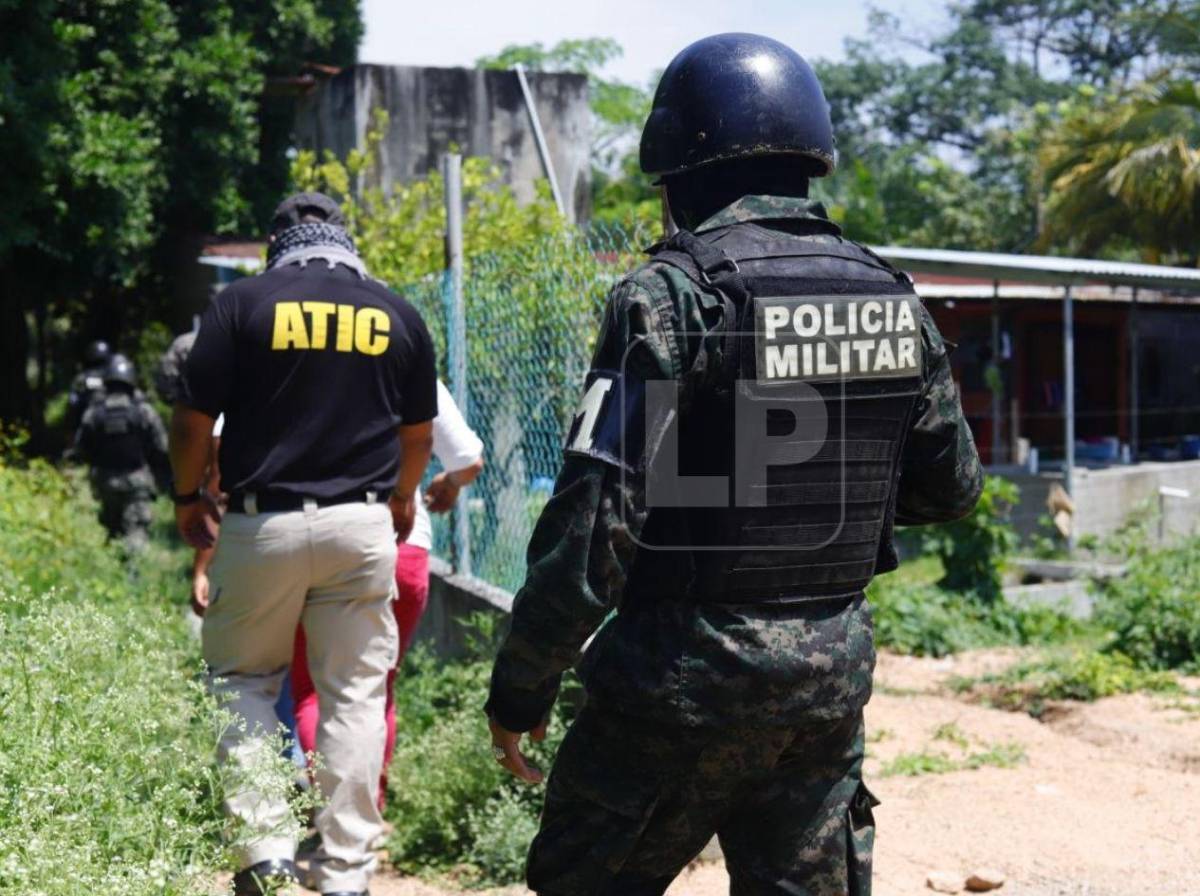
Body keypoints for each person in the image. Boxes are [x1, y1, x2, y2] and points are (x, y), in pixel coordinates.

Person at [485, 33, 984, 896]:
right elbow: (951, 489)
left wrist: (521, 685)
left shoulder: (670, 296)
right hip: (826, 682)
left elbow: (598, 520)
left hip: (676, 683)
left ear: (675, 169)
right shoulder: (890, 294)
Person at [169, 191, 437, 896]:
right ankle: (347, 871)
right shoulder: (396, 311)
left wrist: (187, 496)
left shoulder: (242, 305)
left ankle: (265, 856)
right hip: (363, 525)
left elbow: (192, 420)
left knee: (244, 680)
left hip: (265, 524)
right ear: (344, 239)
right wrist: (404, 496)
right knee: (354, 692)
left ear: (274, 243)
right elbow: (419, 435)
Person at [291, 378, 484, 811]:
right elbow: (469, 461)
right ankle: (367, 812)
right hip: (401, 543)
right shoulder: (408, 361)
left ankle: (333, 811)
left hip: (318, 538)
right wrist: (448, 485)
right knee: (378, 685)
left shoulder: (298, 359)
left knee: (314, 687)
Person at [74, 354, 169, 552]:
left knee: (112, 529)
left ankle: (112, 570)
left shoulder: (93, 412)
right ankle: (131, 576)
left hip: (105, 482)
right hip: (137, 481)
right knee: (135, 530)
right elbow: (162, 446)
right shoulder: (143, 410)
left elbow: (81, 448)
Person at [67, 339, 113, 433]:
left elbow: (73, 404)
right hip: (107, 425)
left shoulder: (81, 379)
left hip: (88, 426)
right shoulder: (113, 377)